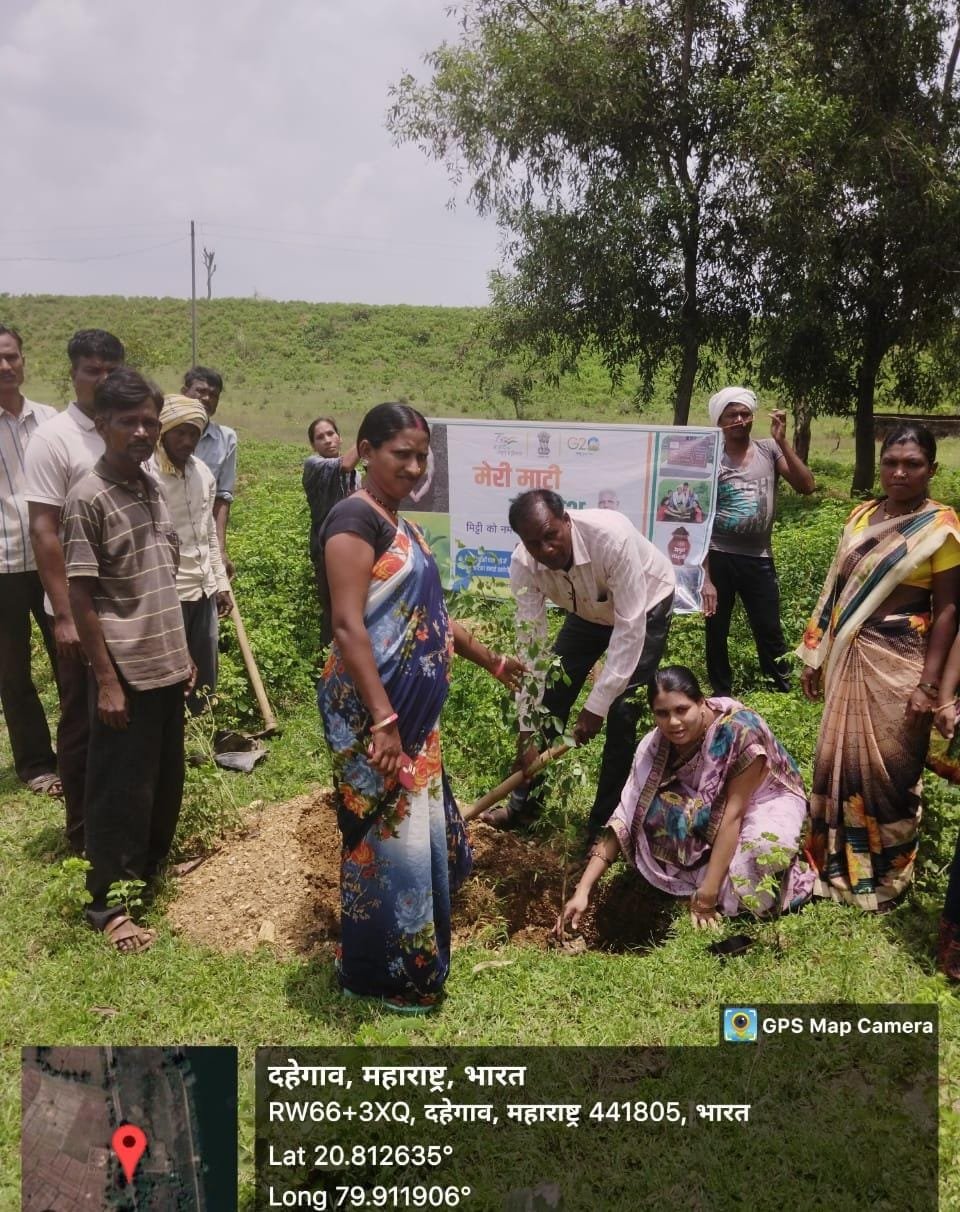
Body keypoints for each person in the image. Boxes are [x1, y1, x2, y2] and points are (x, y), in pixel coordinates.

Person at [316, 402, 523, 1012]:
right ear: (366, 451)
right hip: (373, 716)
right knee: (384, 845)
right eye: (400, 454)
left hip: (411, 720)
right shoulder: (353, 519)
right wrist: (384, 720)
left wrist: (492, 661)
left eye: (421, 457)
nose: (412, 467)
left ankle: (399, 960)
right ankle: (386, 976)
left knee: (405, 838)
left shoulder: (398, 522)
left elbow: (433, 617)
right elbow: (348, 625)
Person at [799, 422, 960, 911]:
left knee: (891, 770)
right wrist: (815, 653)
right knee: (837, 760)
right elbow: (836, 588)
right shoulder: (862, 515)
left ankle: (887, 873)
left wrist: (929, 687)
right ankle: (834, 863)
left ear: (932, 469)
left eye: (912, 464)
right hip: (847, 654)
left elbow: (949, 611)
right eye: (891, 462)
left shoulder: (941, 528)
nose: (899, 472)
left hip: (901, 663)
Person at [63, 369, 193, 953]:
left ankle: (147, 873)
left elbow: (161, 577)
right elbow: (81, 596)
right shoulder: (88, 497)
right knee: (119, 790)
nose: (142, 432)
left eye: (148, 421)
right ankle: (109, 906)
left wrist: (182, 656)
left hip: (166, 663)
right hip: (125, 672)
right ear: (102, 424)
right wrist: (107, 681)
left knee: (163, 782)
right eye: (128, 421)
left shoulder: (151, 486)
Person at [557, 666, 813, 936]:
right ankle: (709, 879)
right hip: (708, 812)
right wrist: (583, 890)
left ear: (701, 703)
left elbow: (733, 814)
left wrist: (707, 897)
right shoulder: (655, 744)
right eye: (662, 714)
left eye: (682, 710)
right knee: (651, 811)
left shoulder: (740, 732)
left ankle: (723, 884)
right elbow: (624, 815)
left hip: (765, 801)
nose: (673, 722)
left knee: (762, 850)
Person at [483, 488, 675, 844]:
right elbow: (532, 648)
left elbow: (629, 629)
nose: (546, 550)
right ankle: (524, 808)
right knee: (550, 698)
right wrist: (527, 730)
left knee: (622, 713)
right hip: (587, 612)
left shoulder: (611, 539)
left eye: (551, 535)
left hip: (645, 604)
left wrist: (596, 705)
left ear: (566, 521)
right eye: (533, 543)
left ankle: (603, 828)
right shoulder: (524, 564)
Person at [24, 328, 124, 853]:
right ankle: (83, 833)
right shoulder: (54, 438)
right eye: (92, 370)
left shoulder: (129, 428)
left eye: (111, 370)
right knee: (83, 720)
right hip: (79, 609)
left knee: (123, 718)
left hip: (128, 607)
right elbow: (44, 530)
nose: (102, 380)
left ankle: (121, 825)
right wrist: (63, 615)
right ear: (74, 373)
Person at [702, 386, 815, 694]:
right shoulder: (710, 458)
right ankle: (721, 694)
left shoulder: (769, 450)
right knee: (716, 629)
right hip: (718, 553)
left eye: (745, 414)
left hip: (758, 556)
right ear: (719, 421)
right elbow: (698, 519)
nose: (739, 420)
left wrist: (783, 441)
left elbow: (806, 486)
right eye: (732, 415)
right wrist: (706, 577)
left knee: (769, 628)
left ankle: (780, 690)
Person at [0, 325, 59, 795]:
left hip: (51, 562)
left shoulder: (50, 420)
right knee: (12, 672)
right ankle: (37, 764)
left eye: (11, 356)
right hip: (0, 567)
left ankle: (81, 751)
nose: (5, 366)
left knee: (71, 658)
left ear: (23, 359)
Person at [150, 395, 233, 713]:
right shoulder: (149, 475)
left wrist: (221, 583)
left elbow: (208, 533)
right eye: (180, 433)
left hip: (203, 589)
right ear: (163, 432)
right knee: (170, 674)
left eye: (194, 434)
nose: (187, 441)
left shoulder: (203, 474)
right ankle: (171, 731)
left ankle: (201, 726)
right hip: (167, 593)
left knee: (205, 673)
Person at [302, 415, 360, 644]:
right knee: (335, 612)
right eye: (320, 437)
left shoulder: (357, 475)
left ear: (339, 437)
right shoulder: (314, 464)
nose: (327, 440)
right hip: (327, 551)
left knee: (356, 609)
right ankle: (328, 659)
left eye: (331, 434)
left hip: (354, 549)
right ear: (313, 445)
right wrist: (370, 434)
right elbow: (345, 464)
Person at [183, 366, 236, 579]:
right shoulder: (161, 430)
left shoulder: (226, 438)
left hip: (204, 539)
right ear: (184, 392)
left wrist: (220, 551)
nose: (206, 398)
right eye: (200, 391)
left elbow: (222, 497)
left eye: (213, 395)